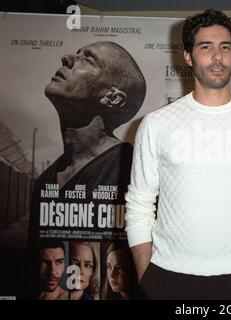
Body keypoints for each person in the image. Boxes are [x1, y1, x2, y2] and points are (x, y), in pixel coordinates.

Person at [125, 9, 231, 300]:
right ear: (188, 56)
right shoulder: (156, 124)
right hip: (166, 277)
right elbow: (139, 204)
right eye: (206, 47)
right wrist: (145, 275)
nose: (218, 57)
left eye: (225, 47)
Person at [27, 41, 146, 299]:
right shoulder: (46, 180)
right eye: (77, 52)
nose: (67, 57)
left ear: (112, 97)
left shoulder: (134, 170)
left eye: (88, 59)